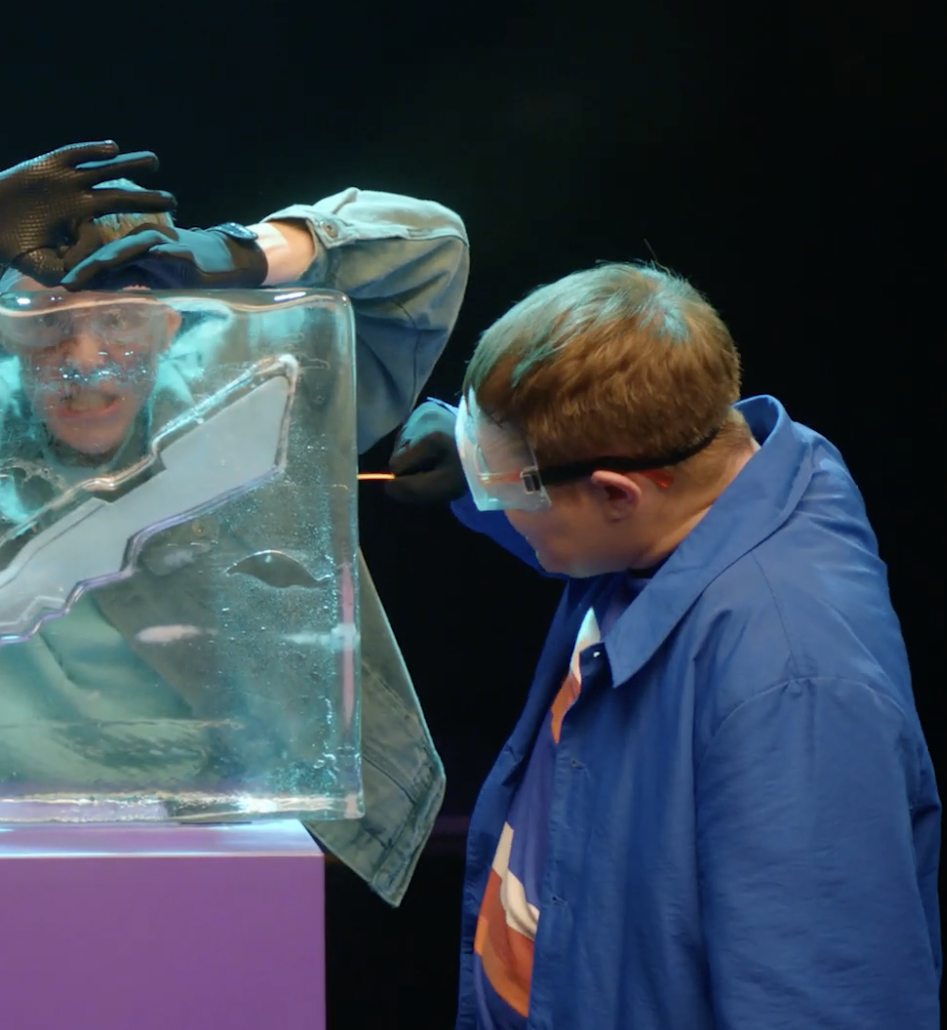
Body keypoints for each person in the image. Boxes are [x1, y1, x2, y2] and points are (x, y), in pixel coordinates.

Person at [0, 150, 469, 905]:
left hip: (213, 824)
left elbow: (430, 250)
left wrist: (238, 254)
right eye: (45, 323)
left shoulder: (262, 385)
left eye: (121, 318)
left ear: (173, 319)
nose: (85, 362)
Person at [382, 262, 941, 1028]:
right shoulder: (715, 479)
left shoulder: (794, 689)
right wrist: (474, 449)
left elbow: (822, 998)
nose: (497, 503)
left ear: (619, 492)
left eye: (507, 488)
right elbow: (590, 530)